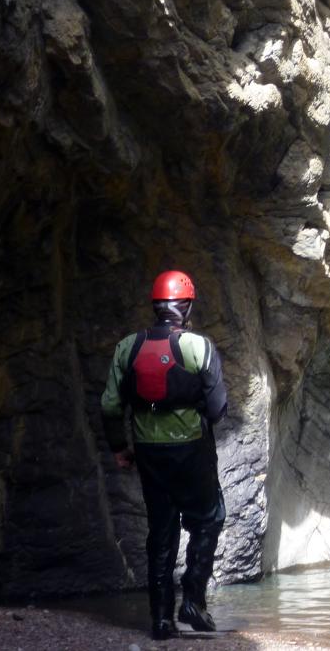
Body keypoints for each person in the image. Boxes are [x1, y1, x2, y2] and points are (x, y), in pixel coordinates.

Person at [100, 270, 228, 640]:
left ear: (156, 306)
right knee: (209, 517)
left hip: (148, 452)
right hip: (190, 450)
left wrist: (119, 448)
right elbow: (218, 409)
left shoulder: (128, 347)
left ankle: (160, 620)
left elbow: (110, 405)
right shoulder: (199, 347)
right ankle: (193, 598)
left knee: (161, 531)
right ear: (185, 307)